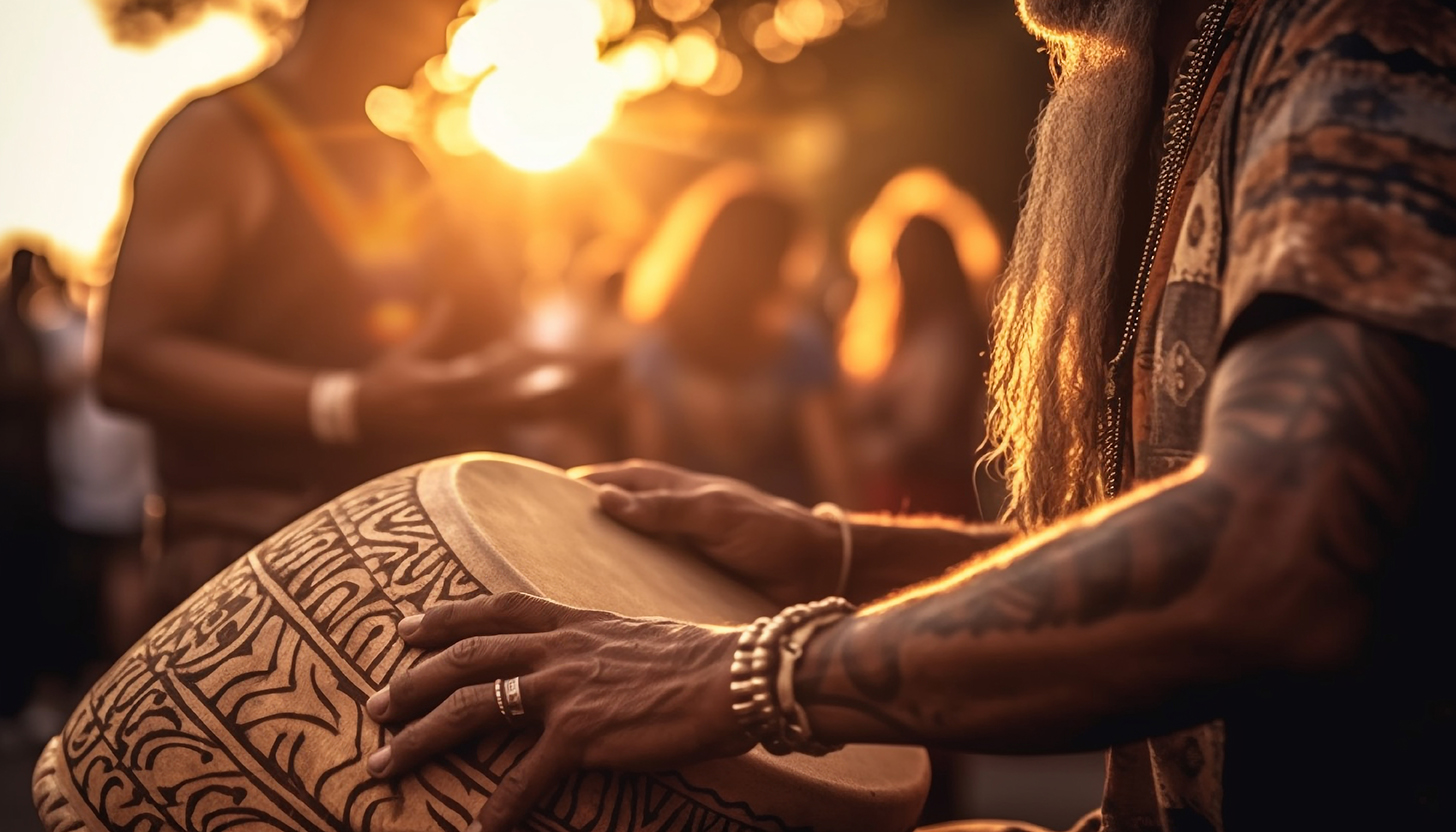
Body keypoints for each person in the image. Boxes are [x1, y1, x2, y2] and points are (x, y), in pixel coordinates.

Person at [355, 1, 1455, 831]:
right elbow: (1196, 532)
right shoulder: (1218, 68)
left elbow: (1270, 553)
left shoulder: (1362, 47)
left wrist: (745, 674)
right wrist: (838, 550)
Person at [98, 0, 548, 615]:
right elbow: (131, 359)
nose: (448, 38)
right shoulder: (220, 135)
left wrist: (519, 374)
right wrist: (343, 404)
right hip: (243, 574)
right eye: (440, 9)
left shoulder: (404, 162)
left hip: (389, 568)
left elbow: (472, 333)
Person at [622, 167, 856, 507]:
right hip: (788, 541)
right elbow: (836, 475)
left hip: (685, 542)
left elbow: (648, 472)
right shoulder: (800, 347)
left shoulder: (656, 352)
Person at [855, 215, 989, 520]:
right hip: (900, 493)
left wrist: (861, 451)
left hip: (934, 496)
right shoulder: (900, 336)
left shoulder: (954, 335)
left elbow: (924, 428)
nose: (912, 268)